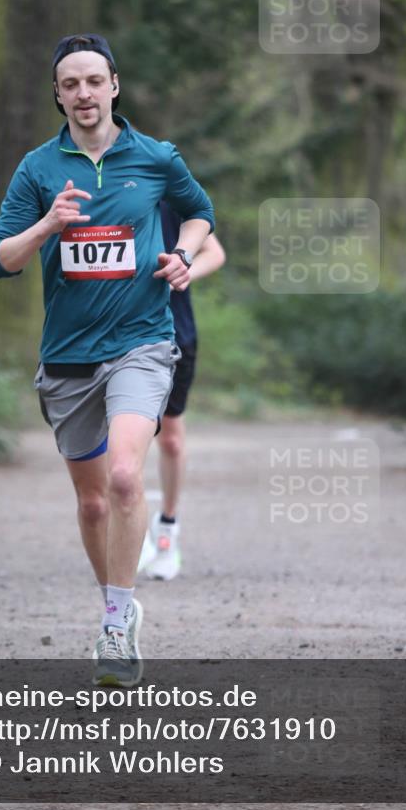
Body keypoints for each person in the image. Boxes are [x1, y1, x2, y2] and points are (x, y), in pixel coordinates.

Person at [0, 34, 215, 686]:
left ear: (114, 84)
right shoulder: (36, 170)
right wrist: (47, 226)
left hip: (143, 343)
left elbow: (199, 214)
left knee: (122, 476)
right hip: (67, 358)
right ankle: (118, 603)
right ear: (57, 95)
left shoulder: (155, 158)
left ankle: (114, 626)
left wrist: (183, 255)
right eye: (70, 84)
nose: (83, 94)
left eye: (94, 80)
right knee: (91, 506)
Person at [139, 201, 226, 580]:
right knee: (126, 438)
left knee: (170, 440)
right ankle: (134, 529)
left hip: (176, 332)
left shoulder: (166, 200)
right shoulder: (103, 199)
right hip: (123, 335)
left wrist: (186, 270)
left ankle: (167, 529)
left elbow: (214, 251)